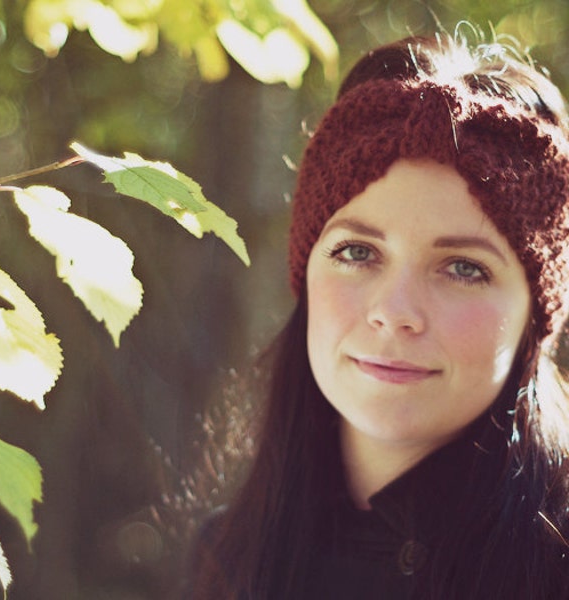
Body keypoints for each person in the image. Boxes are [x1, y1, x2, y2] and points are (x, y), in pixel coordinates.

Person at [187, 28, 569, 599]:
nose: (395, 313)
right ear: (306, 271)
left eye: (464, 268)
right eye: (357, 252)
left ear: (536, 312)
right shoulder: (227, 557)